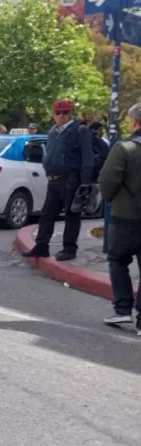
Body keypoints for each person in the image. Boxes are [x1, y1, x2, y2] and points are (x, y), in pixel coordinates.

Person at [21, 99, 94, 261]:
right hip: (54, 180)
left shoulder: (80, 130)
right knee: (47, 214)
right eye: (58, 113)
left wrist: (85, 182)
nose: (61, 116)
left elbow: (87, 157)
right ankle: (41, 246)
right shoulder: (53, 132)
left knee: (71, 215)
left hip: (71, 179)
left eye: (65, 112)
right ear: (53, 114)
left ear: (70, 113)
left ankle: (69, 248)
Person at [99, 103, 141, 334]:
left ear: (134, 122)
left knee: (117, 260)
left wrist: (110, 198)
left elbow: (108, 180)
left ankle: (123, 309)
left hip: (125, 217)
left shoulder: (124, 148)